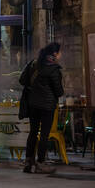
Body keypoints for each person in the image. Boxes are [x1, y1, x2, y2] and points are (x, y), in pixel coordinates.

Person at [21, 43, 64, 174]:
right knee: (44, 134)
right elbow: (58, 91)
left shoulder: (33, 64)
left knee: (33, 132)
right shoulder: (54, 69)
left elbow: (22, 80)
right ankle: (40, 163)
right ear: (55, 54)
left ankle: (28, 162)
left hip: (33, 104)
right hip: (47, 106)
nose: (61, 55)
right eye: (60, 52)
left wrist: (35, 89)